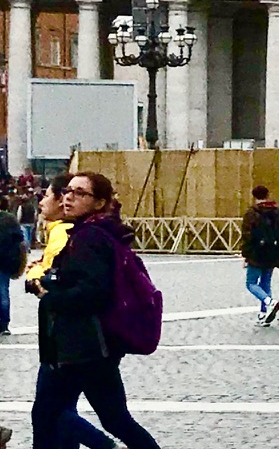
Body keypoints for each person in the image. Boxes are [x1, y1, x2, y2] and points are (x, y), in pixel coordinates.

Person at [28, 172, 163, 449]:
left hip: (85, 345)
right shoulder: (92, 231)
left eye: (80, 193)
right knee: (113, 418)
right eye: (68, 191)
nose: (69, 197)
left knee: (50, 412)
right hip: (92, 345)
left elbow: (93, 291)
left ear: (99, 202)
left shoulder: (89, 236)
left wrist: (49, 294)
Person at [22, 175, 117, 449]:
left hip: (72, 339)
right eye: (64, 192)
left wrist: (42, 283)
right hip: (68, 338)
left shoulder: (72, 234)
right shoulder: (65, 231)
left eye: (49, 195)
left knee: (51, 411)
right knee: (60, 411)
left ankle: (106, 447)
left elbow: (75, 283)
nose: (44, 201)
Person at [241, 184, 279, 325]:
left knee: (251, 283)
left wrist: (245, 254)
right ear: (268, 195)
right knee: (265, 282)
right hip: (272, 252)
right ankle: (264, 314)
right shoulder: (278, 212)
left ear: (254, 197)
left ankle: (269, 302)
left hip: (256, 253)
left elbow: (247, 235)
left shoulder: (251, 213)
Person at [0, 198, 26, 336]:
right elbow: (20, 240)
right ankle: (4, 324)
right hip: (6, 260)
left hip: (3, 260)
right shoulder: (10, 220)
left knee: (2, 291)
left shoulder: (8, 220)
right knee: (3, 291)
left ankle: (3, 323)